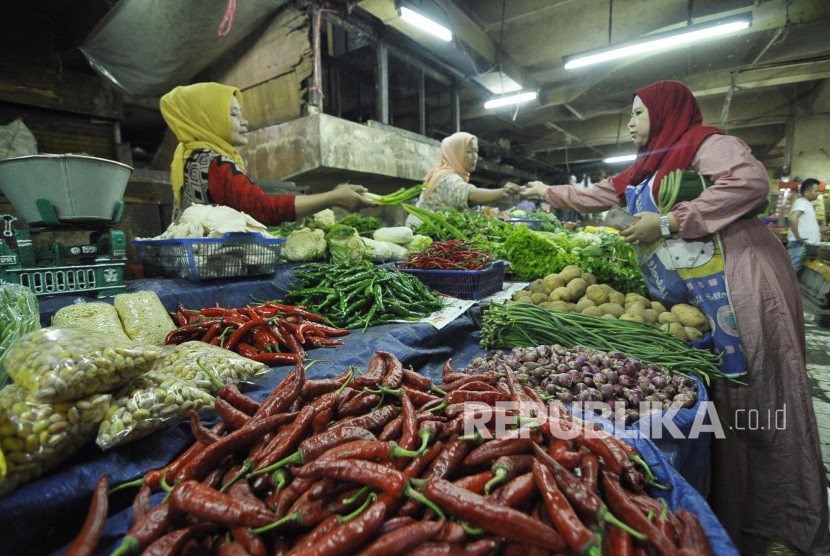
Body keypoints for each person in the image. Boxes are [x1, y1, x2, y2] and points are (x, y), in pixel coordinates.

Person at [521, 80, 830, 555]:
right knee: (724, 402)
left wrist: (666, 222)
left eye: (638, 113)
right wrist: (547, 190)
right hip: (703, 299)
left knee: (762, 395)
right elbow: (599, 194)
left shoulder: (707, 145)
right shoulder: (647, 170)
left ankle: (781, 524)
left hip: (742, 283)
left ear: (667, 113)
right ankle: (736, 513)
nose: (630, 122)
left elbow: (750, 182)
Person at [159, 82, 375, 225]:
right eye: (233, 114)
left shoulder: (192, 156)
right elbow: (264, 209)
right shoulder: (216, 164)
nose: (244, 122)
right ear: (209, 119)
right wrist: (333, 198)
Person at [405, 131, 521, 226]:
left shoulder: (441, 172)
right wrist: (502, 192)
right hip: (422, 234)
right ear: (455, 153)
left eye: (476, 152)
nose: (475, 157)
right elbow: (468, 196)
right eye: (469, 152)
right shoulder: (447, 178)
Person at [787, 178, 822, 275]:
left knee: (799, 272)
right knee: (793, 273)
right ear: (806, 192)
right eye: (816, 191)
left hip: (804, 245)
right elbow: (792, 218)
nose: (818, 193)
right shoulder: (802, 202)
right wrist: (798, 237)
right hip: (800, 245)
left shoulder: (806, 203)